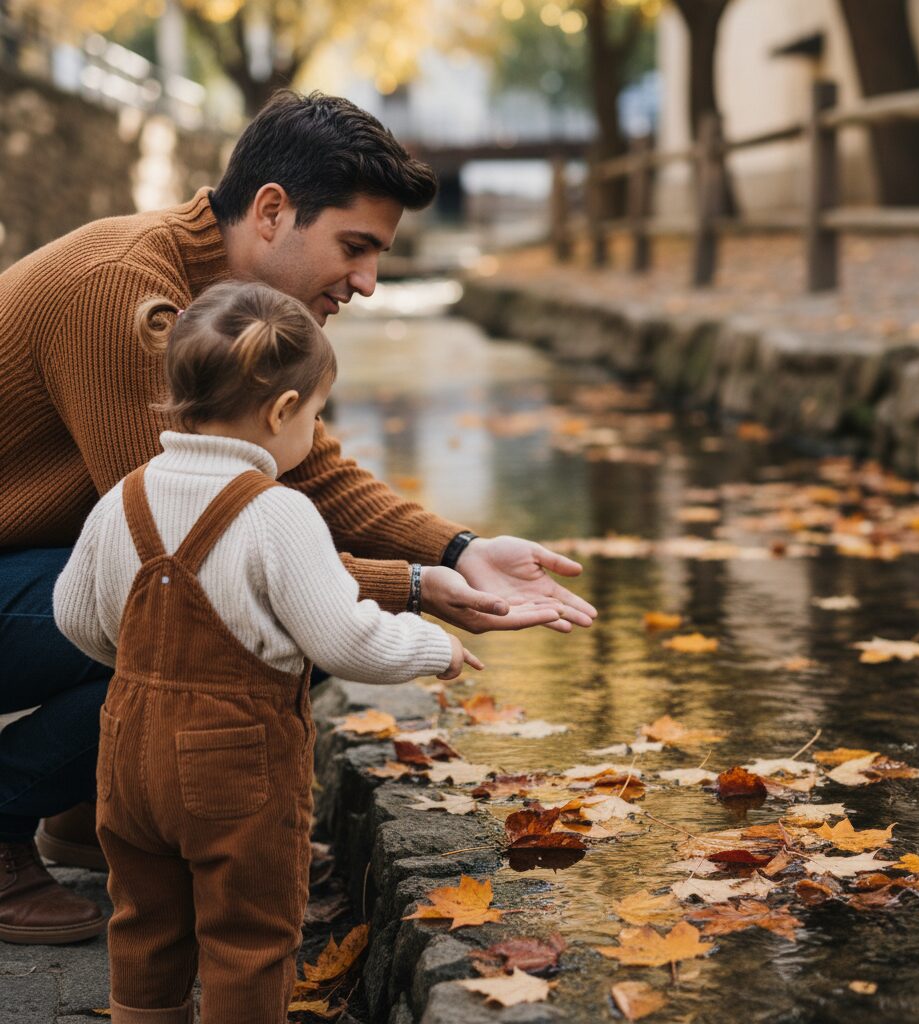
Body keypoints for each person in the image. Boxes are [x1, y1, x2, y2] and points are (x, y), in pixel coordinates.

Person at [0, 91, 596, 943]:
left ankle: (88, 809)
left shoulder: (232, 314)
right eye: (355, 248)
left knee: (254, 609)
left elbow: (311, 471)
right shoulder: (127, 295)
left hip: (25, 567)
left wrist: (459, 549)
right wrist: (413, 590)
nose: (367, 282)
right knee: (236, 615)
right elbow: (189, 549)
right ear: (273, 211)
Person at [53, 279, 480, 1022]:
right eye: (316, 416)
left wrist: (144, 662)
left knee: (146, 923)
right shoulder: (279, 513)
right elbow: (343, 637)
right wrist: (430, 647)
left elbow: (74, 618)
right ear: (283, 411)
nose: (313, 433)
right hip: (236, 768)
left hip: (127, 756)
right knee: (248, 934)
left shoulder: (122, 496)